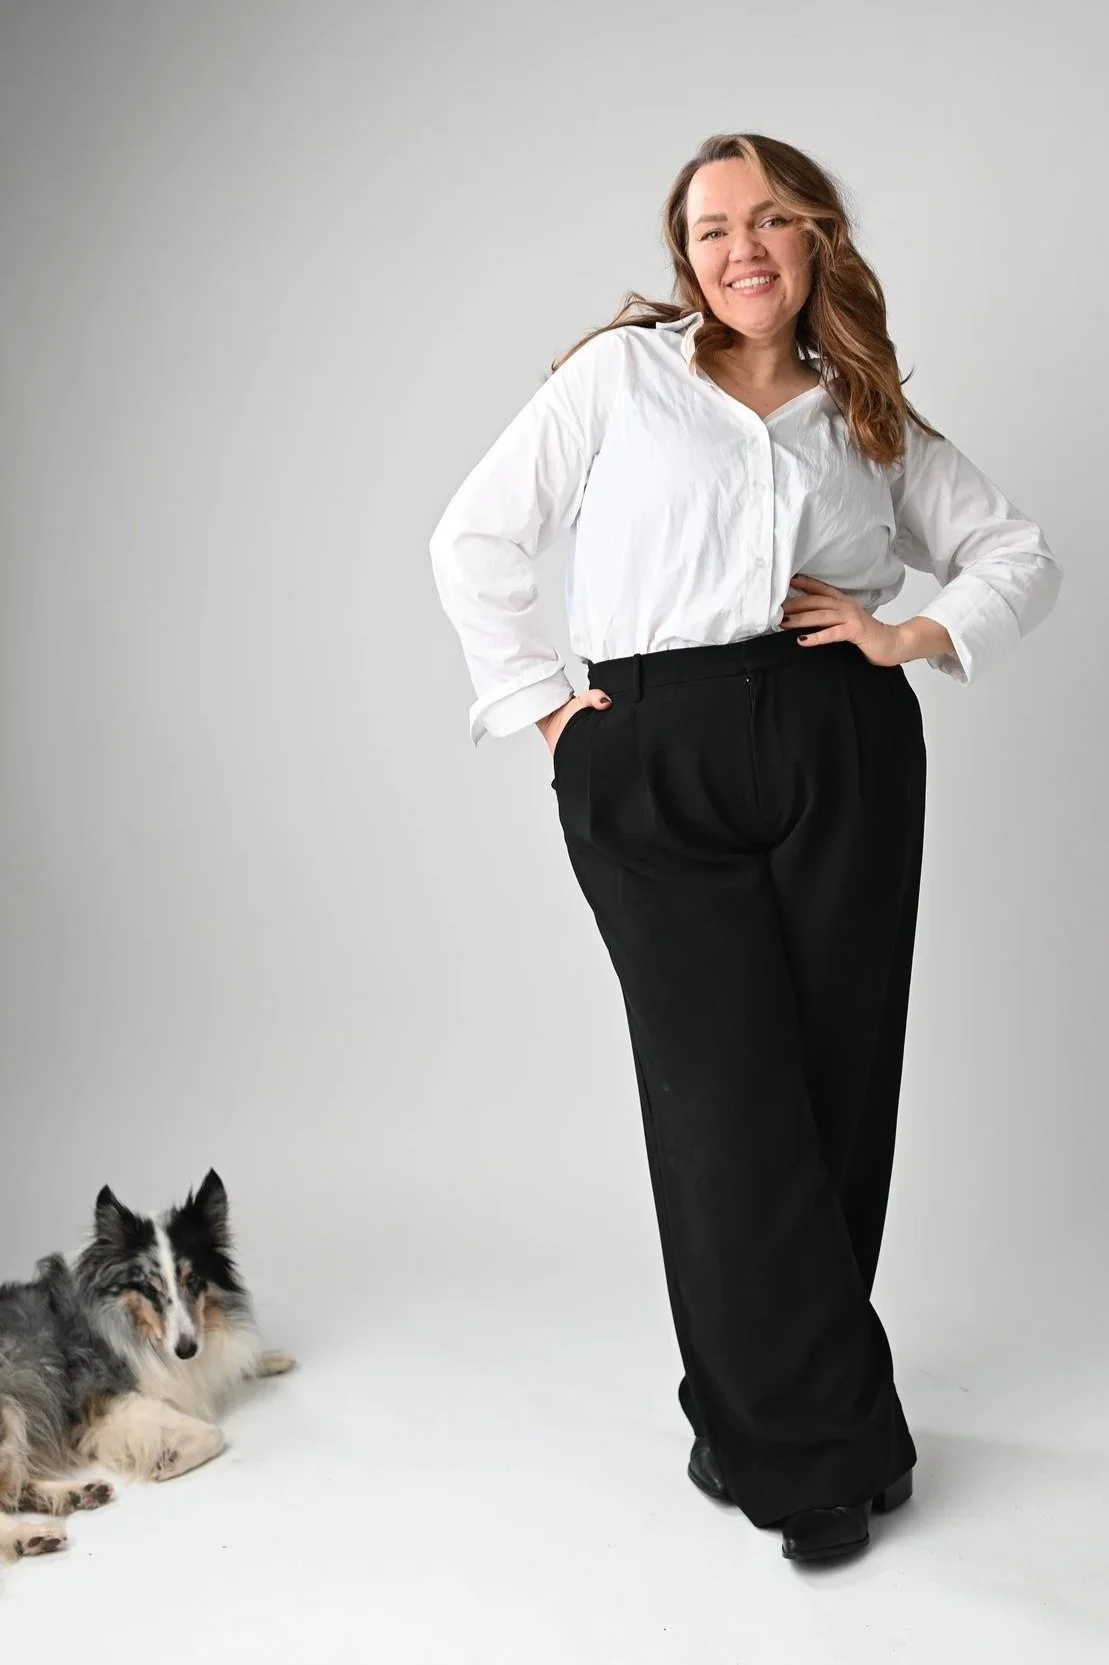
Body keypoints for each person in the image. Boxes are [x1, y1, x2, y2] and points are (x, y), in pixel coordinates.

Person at [427, 133, 1062, 1563]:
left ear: (815, 237)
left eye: (768, 219)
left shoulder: (864, 407)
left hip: (843, 743)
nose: (740, 249)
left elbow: (1016, 551)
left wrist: (910, 632)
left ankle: (752, 1419)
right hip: (654, 751)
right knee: (725, 1103)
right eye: (711, 229)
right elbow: (474, 539)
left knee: (835, 1088)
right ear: (686, 258)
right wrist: (550, 715)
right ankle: (820, 1458)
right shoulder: (619, 380)